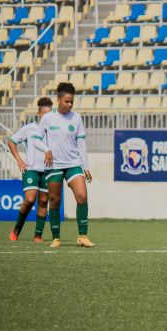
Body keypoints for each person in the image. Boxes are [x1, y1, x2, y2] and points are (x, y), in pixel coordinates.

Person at [33, 82, 94, 248]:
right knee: (54, 201)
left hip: (73, 163)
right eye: (67, 101)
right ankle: (56, 238)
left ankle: (82, 236)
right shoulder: (47, 118)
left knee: (82, 195)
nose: (70, 104)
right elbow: (36, 140)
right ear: (59, 99)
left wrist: (85, 166)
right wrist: (46, 149)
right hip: (54, 166)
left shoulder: (76, 117)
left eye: (72, 101)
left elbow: (81, 143)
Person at [8, 97, 53, 242]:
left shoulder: (53, 131)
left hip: (48, 171)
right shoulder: (29, 128)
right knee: (29, 199)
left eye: (50, 114)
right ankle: (16, 230)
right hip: (32, 170)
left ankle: (38, 235)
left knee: (43, 202)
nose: (48, 118)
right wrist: (19, 160)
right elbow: (11, 141)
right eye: (45, 114)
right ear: (39, 114)